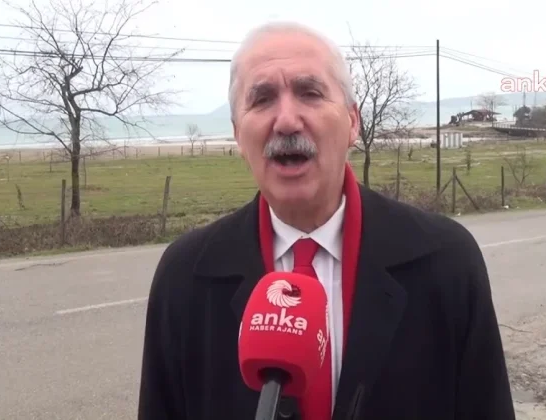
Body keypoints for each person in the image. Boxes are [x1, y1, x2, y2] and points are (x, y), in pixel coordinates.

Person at [138, 21, 516, 420]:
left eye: (310, 93)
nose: (286, 120)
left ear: (353, 122)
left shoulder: (446, 262)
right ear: (237, 134)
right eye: (262, 99)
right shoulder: (185, 277)